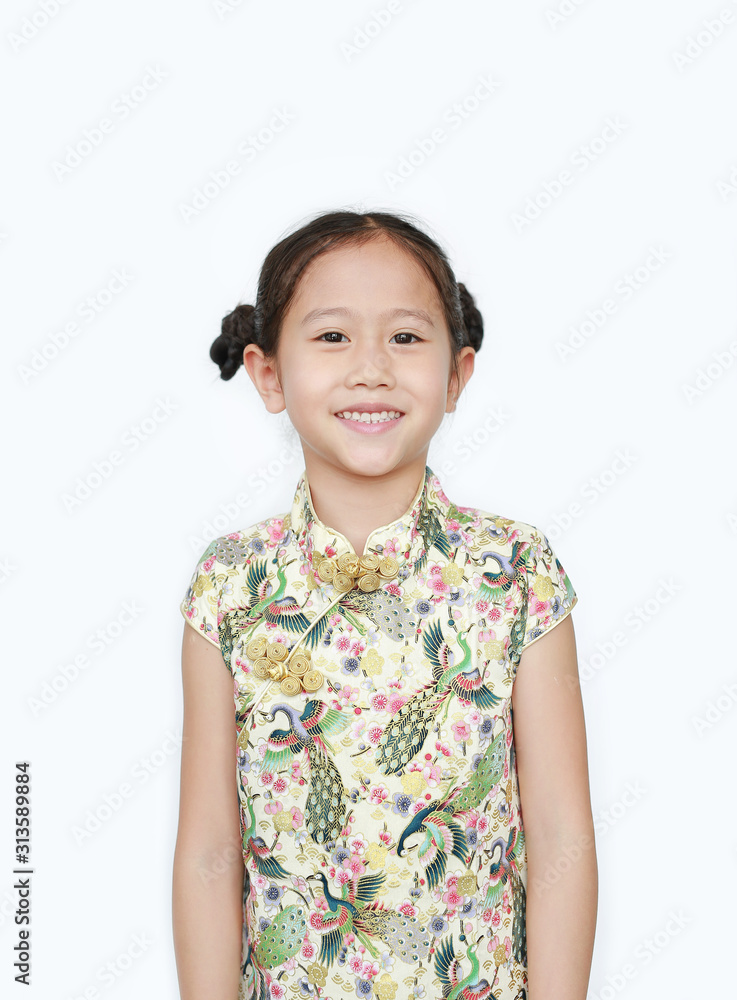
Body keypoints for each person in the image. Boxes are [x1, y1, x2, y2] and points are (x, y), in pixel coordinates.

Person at [172, 209, 597, 1000]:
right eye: (332, 337)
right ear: (268, 373)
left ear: (456, 374)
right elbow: (207, 850)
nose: (370, 368)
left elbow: (561, 834)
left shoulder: (517, 574)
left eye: (405, 337)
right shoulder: (229, 584)